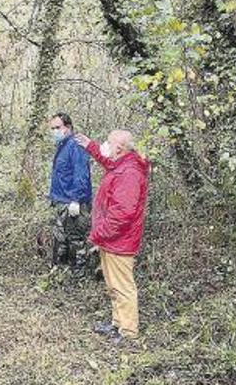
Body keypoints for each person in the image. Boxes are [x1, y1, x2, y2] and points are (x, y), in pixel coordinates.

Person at [74, 130, 150, 343]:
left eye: (108, 142)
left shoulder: (130, 173)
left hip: (119, 241)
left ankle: (128, 332)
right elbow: (108, 162)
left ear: (120, 148)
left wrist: (99, 233)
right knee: (113, 284)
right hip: (111, 240)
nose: (105, 145)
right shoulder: (122, 164)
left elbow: (122, 213)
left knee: (123, 287)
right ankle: (118, 323)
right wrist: (92, 147)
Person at [47, 113, 92, 276]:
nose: (54, 131)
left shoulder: (76, 145)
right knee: (61, 237)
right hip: (61, 200)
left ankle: (79, 274)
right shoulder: (62, 145)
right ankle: (61, 270)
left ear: (68, 127)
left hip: (73, 202)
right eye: (52, 128)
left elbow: (81, 175)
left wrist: (76, 200)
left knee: (76, 239)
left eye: (58, 128)